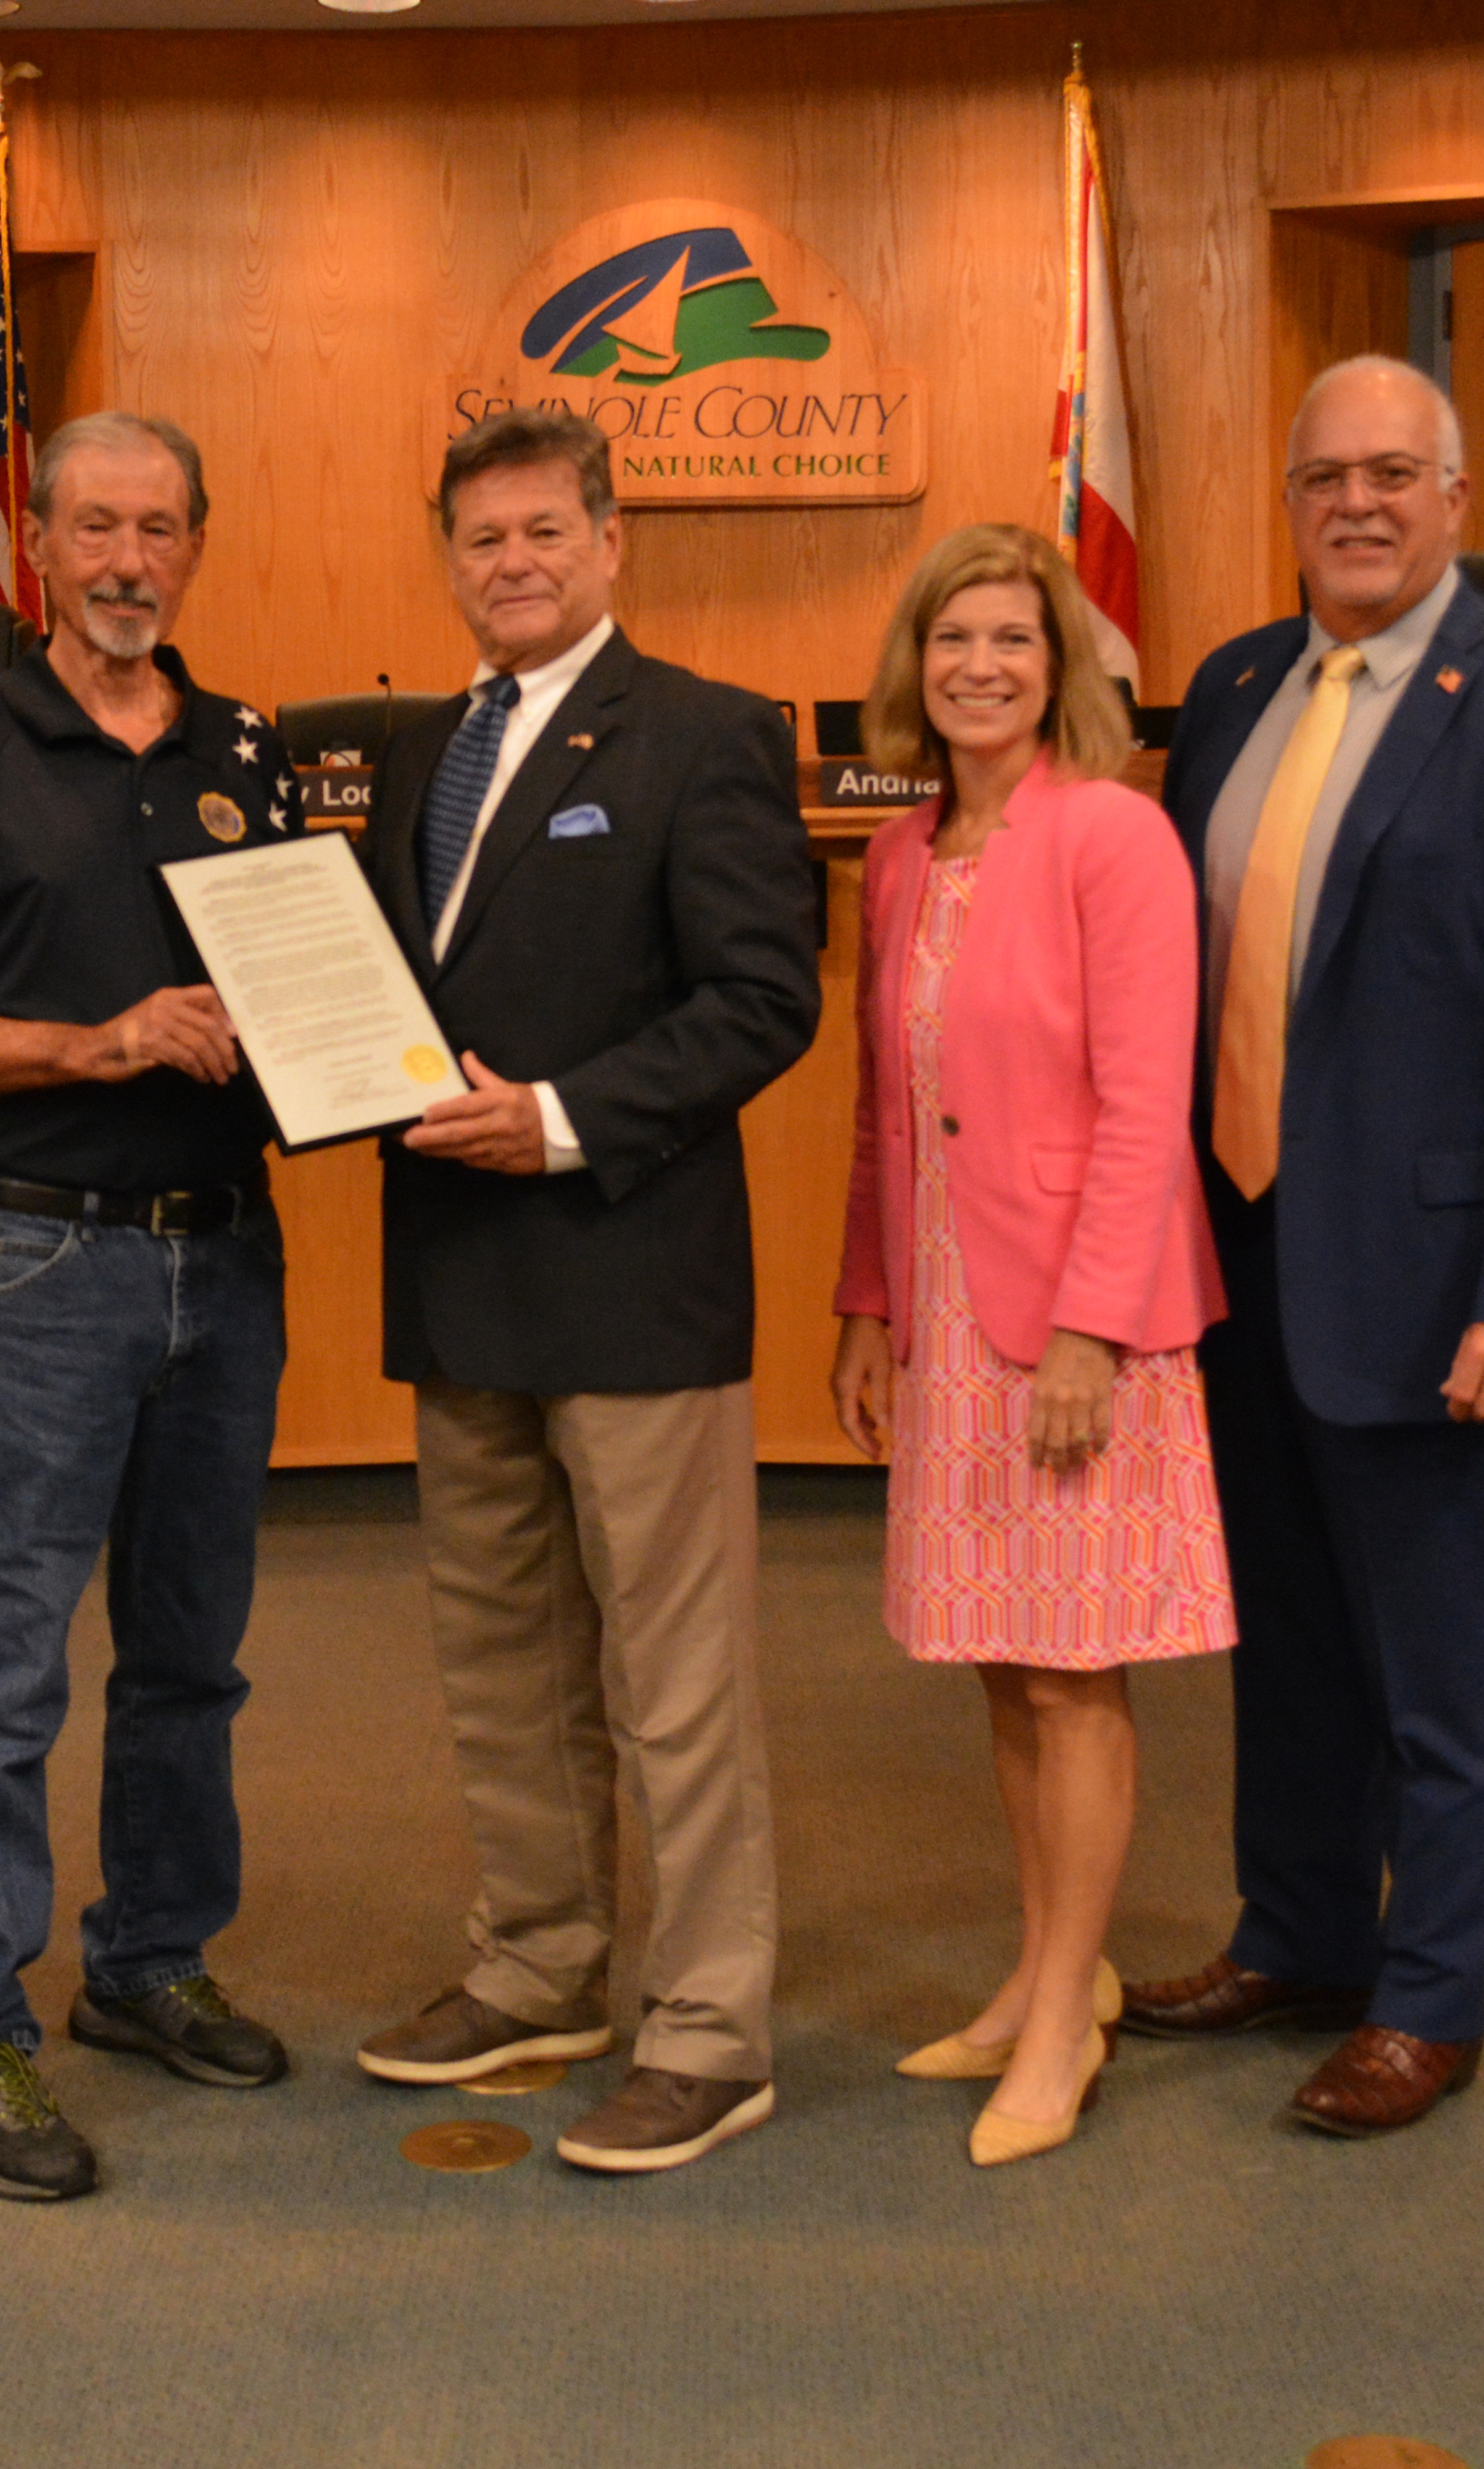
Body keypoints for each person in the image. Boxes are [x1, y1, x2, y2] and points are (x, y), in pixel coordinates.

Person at [1122, 354, 1484, 2135]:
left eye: (1392, 475)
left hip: (1438, 1286)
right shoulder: (1226, 688)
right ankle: (1300, 1932)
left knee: (1440, 1659)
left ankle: (1431, 1993)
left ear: (1455, 496)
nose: (1356, 506)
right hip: (1241, 1260)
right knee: (1281, 1630)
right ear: (1289, 504)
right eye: (1324, 479)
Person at [348, 408, 823, 2175]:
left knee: (672, 1678)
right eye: (482, 540)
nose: (514, 564)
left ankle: (709, 2027)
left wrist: (556, 1120)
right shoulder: (428, 747)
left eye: (546, 531)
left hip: (632, 1278)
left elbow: (764, 1000)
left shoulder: (710, 738)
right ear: (452, 559)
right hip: (458, 1280)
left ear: (612, 542)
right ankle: (541, 1965)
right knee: (499, 1660)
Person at [0, 411, 304, 2204]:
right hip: (41, 1261)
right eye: (96, 528)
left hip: (227, 1254)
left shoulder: (242, 750)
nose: (128, 561)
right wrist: (95, 1043)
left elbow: (297, 988)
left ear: (197, 545)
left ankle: (148, 1961)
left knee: (191, 1652)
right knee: (0, 1672)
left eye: (161, 530)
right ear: (38, 543)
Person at [827, 525, 1236, 2167]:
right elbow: (883, 1111)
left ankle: (1070, 2012)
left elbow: (1150, 1108)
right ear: (913, 669)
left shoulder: (1115, 838)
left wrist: (1090, 1329)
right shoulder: (906, 853)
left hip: (1080, 1326)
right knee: (1006, 1663)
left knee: (1077, 1673)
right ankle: (1043, 1969)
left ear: (1062, 665)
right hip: (945, 1313)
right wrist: (867, 1306)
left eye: (1011, 639)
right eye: (952, 641)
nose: (980, 667)